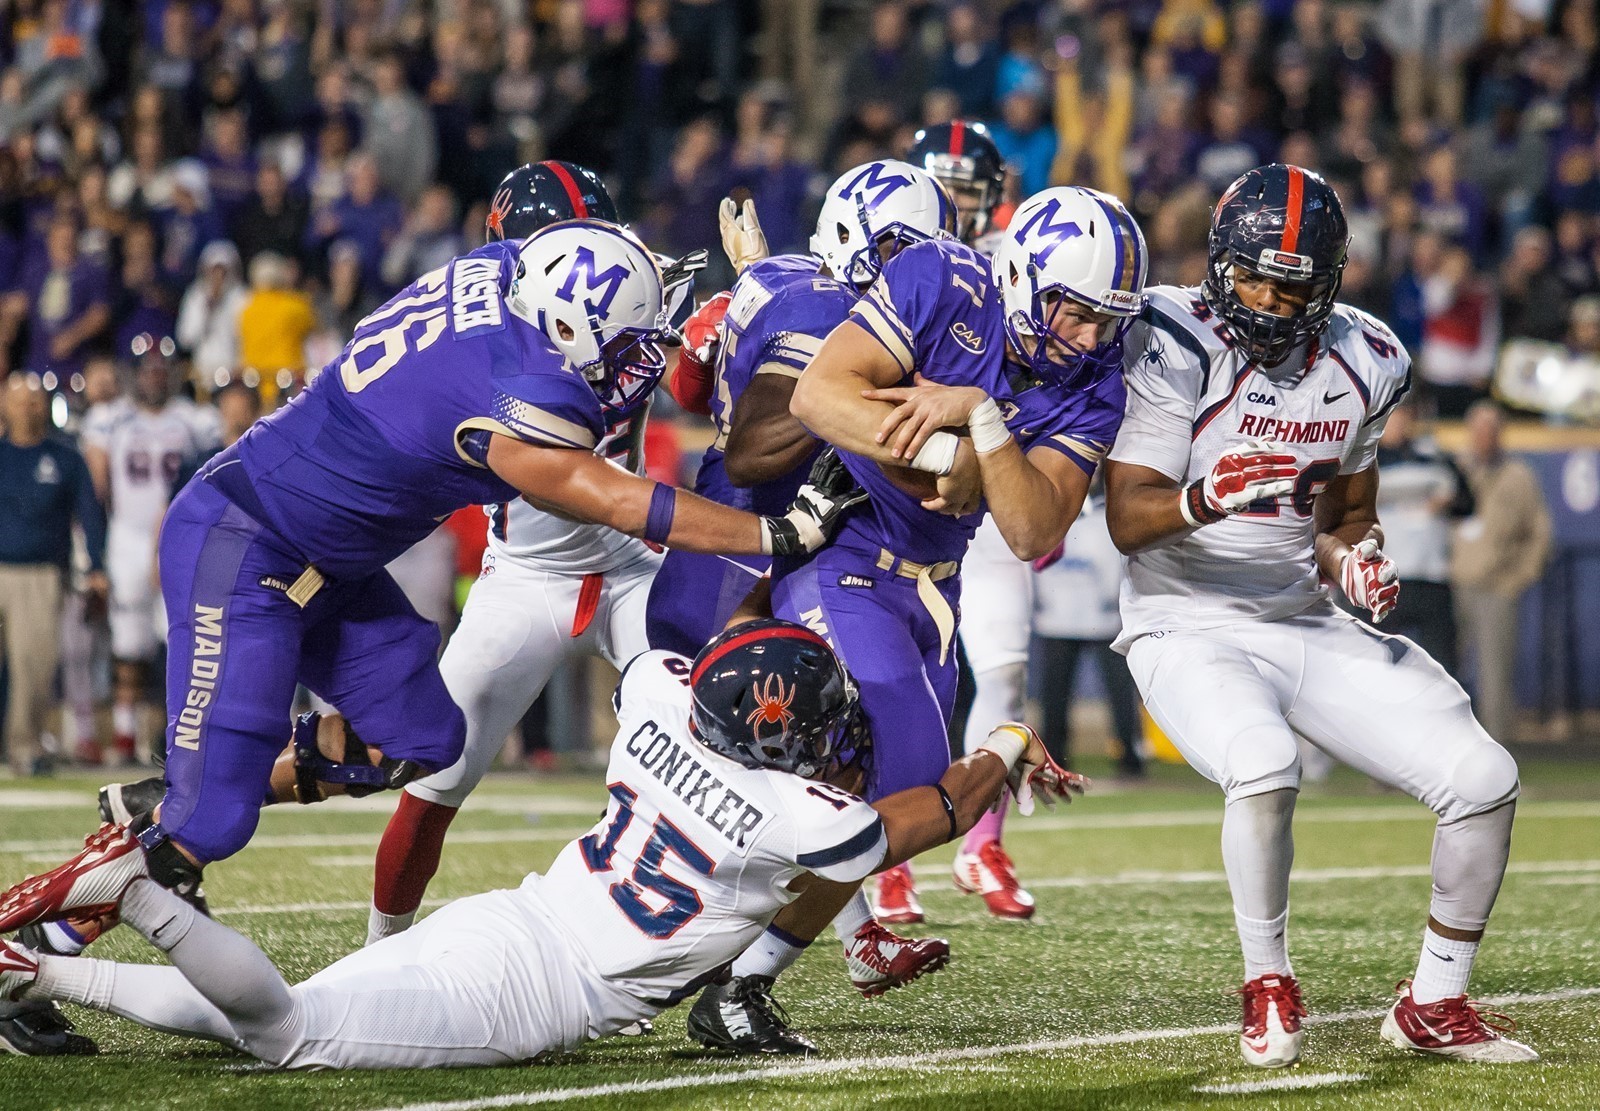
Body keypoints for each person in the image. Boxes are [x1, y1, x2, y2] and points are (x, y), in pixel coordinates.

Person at [0, 221, 861, 939]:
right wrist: (775, 529)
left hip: (328, 559)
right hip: (248, 546)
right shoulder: (522, 396)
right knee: (212, 822)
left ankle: (186, 787)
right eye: (624, 344)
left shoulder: (496, 272)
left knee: (425, 734)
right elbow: (620, 499)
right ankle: (42, 940)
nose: (634, 363)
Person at [0, 620, 1079, 1069]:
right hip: (544, 988)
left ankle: (34, 966)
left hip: (511, 915)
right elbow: (925, 811)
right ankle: (135, 895)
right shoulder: (806, 816)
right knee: (289, 1036)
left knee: (280, 1019)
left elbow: (658, 661)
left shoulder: (659, 702)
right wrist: (1010, 736)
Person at [1103, 164, 1536, 1068]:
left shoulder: (1365, 358)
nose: (1264, 297)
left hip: (1300, 618)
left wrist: (1358, 562)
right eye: (1251, 275)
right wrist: (1202, 498)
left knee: (1483, 776)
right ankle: (1267, 978)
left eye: (1289, 281)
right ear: (1219, 264)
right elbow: (1128, 517)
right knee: (1264, 765)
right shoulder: (1173, 337)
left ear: (1329, 282)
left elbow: (1344, 517)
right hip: (1185, 619)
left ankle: (1435, 998)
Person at [723, 184, 1145, 1028]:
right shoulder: (941, 277)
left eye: (1108, 320)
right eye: (1074, 312)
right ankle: (702, 950)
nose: (1090, 338)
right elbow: (818, 398)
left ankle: (746, 980)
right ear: (1025, 274)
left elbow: (1031, 527)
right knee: (837, 773)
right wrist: (950, 449)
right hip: (845, 543)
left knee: (912, 799)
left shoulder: (1097, 378)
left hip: (933, 580)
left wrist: (982, 423)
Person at [646, 160, 966, 1010]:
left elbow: (706, 359)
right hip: (741, 536)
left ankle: (842, 933)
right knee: (730, 757)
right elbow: (752, 447)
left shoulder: (795, 284)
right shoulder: (815, 305)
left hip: (807, 534)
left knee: (836, 757)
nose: (912, 270)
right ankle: (664, 938)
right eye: (898, 249)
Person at [364, 162, 674, 948]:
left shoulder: (640, 296)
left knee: (709, 747)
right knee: (434, 774)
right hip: (526, 576)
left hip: (633, 566)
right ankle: (380, 952)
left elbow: (701, 381)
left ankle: (797, 947)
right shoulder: (488, 337)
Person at [904, 119, 1043, 919]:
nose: (955, 201)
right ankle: (886, 858)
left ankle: (981, 840)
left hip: (990, 481)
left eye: (967, 187)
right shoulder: (899, 256)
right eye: (942, 184)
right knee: (900, 674)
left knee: (1005, 667)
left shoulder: (1017, 261)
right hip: (906, 487)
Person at [81, 338, 217, 765]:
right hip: (127, 535)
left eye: (162, 368)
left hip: (181, 534)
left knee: (179, 637)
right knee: (128, 640)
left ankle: (176, 732)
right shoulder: (111, 419)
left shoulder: (195, 420)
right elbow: (96, 485)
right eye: (147, 368)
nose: (154, 375)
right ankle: (125, 735)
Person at [0, 372, 106, 776]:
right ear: (5, 406)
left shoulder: (65, 458)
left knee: (33, 665)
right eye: (20, 400)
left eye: (35, 399)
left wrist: (95, 566)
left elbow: (90, 515)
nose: (29, 407)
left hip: (41, 574)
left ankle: (25, 748)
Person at [1450, 400, 1551, 743]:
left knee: (1496, 678)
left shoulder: (1518, 476)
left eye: (1491, 430)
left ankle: (1498, 755)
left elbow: (1539, 533)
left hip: (1497, 585)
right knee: (1448, 675)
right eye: (1478, 430)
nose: (1484, 437)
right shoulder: (1456, 470)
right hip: (1453, 583)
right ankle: (1450, 752)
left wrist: (1517, 578)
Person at [1031, 485, 1145, 776]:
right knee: (1054, 696)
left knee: (1119, 694)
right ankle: (1055, 757)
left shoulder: (1104, 516)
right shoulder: (1048, 516)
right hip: (1060, 619)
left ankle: (1130, 755)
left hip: (1100, 621)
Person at [1370, 399, 1474, 674]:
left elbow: (1467, 503)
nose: (1399, 423)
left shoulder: (1435, 459)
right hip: (1382, 579)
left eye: (1404, 415)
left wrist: (1447, 502)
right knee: (1376, 664)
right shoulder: (1365, 462)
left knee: (1442, 667)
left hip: (1431, 576)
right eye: (1393, 417)